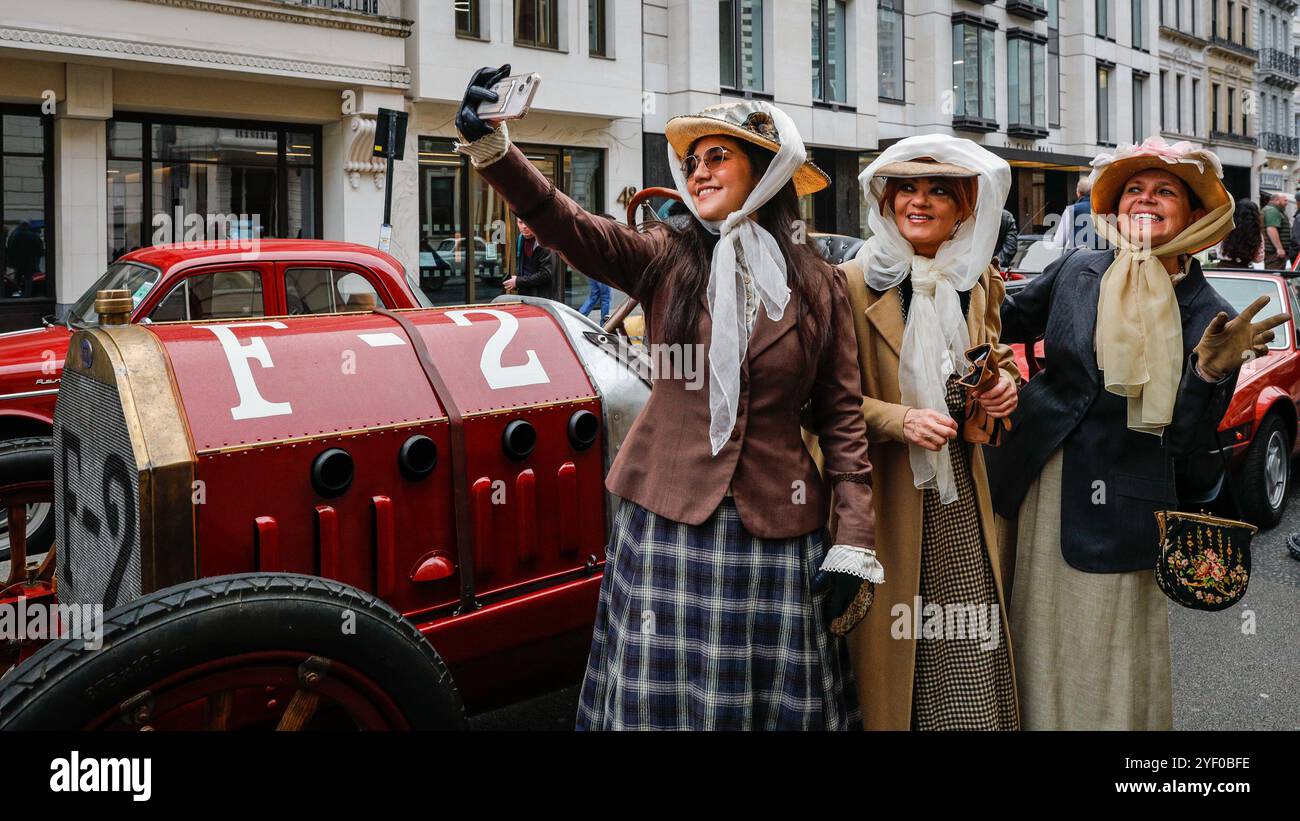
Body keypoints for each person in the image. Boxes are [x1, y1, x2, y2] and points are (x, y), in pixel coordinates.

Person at [455, 66, 877, 730]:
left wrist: (854, 539)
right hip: (668, 523)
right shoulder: (663, 257)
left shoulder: (818, 284)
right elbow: (566, 225)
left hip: (777, 530)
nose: (700, 171)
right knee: (666, 702)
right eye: (693, 160)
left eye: (720, 156)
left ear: (766, 170)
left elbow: (843, 419)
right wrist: (494, 150)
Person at [989, 136, 1287, 730]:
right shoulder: (1080, 267)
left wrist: (1205, 374)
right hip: (1033, 478)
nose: (1144, 201)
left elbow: (1182, 445)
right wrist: (962, 273)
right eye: (1134, 190)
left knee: (1104, 654)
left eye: (1164, 192)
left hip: (1120, 503)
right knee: (1025, 630)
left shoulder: (1213, 317)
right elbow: (1009, 314)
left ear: (1195, 215)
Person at [812, 135, 1021, 730]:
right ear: (885, 202)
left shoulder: (974, 281)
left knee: (964, 654)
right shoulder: (847, 283)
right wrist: (897, 419)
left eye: (938, 192)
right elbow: (815, 404)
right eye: (906, 188)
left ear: (964, 209)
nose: (919, 202)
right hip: (882, 501)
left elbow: (995, 357)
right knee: (889, 665)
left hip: (958, 498)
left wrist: (1002, 388)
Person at [505, 217, 556, 299]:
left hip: (541, 298)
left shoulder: (544, 241)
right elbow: (523, 269)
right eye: (520, 222)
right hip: (524, 296)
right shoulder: (520, 239)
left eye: (527, 222)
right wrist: (515, 283)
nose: (524, 226)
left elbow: (545, 275)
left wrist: (518, 281)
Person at [1208, 200, 1265, 268]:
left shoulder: (1225, 229)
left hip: (1223, 269)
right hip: (1243, 270)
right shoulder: (1257, 234)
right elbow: (1258, 259)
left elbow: (1212, 252)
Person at [1052, 177, 1104, 250]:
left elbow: (1059, 242)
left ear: (1078, 193)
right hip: (1103, 257)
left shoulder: (1071, 210)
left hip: (1079, 257)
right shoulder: (1105, 209)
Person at [1261, 191, 1292, 269]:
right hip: (1274, 253)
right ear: (1277, 200)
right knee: (1275, 274)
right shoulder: (1272, 211)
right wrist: (1279, 249)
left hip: (1273, 253)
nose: (1287, 202)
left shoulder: (1274, 210)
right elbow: (1271, 229)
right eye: (1285, 200)